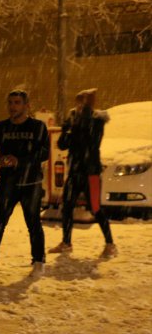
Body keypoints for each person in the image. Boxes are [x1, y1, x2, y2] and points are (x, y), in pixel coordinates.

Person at [0, 90, 49, 279]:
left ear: (27, 105)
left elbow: (44, 153)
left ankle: (38, 261)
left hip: (31, 182)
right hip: (8, 182)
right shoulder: (0, 127)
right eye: (10, 102)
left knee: (33, 222)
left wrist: (21, 160)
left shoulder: (38, 127)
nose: (13, 106)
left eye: (17, 102)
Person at [49, 88, 116, 258]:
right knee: (67, 206)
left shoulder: (96, 122)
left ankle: (110, 244)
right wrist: (65, 130)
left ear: (89, 105)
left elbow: (91, 142)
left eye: (83, 103)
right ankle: (66, 243)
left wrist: (75, 126)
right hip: (75, 172)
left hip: (91, 173)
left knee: (95, 208)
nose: (79, 107)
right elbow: (63, 145)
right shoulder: (74, 122)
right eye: (78, 103)